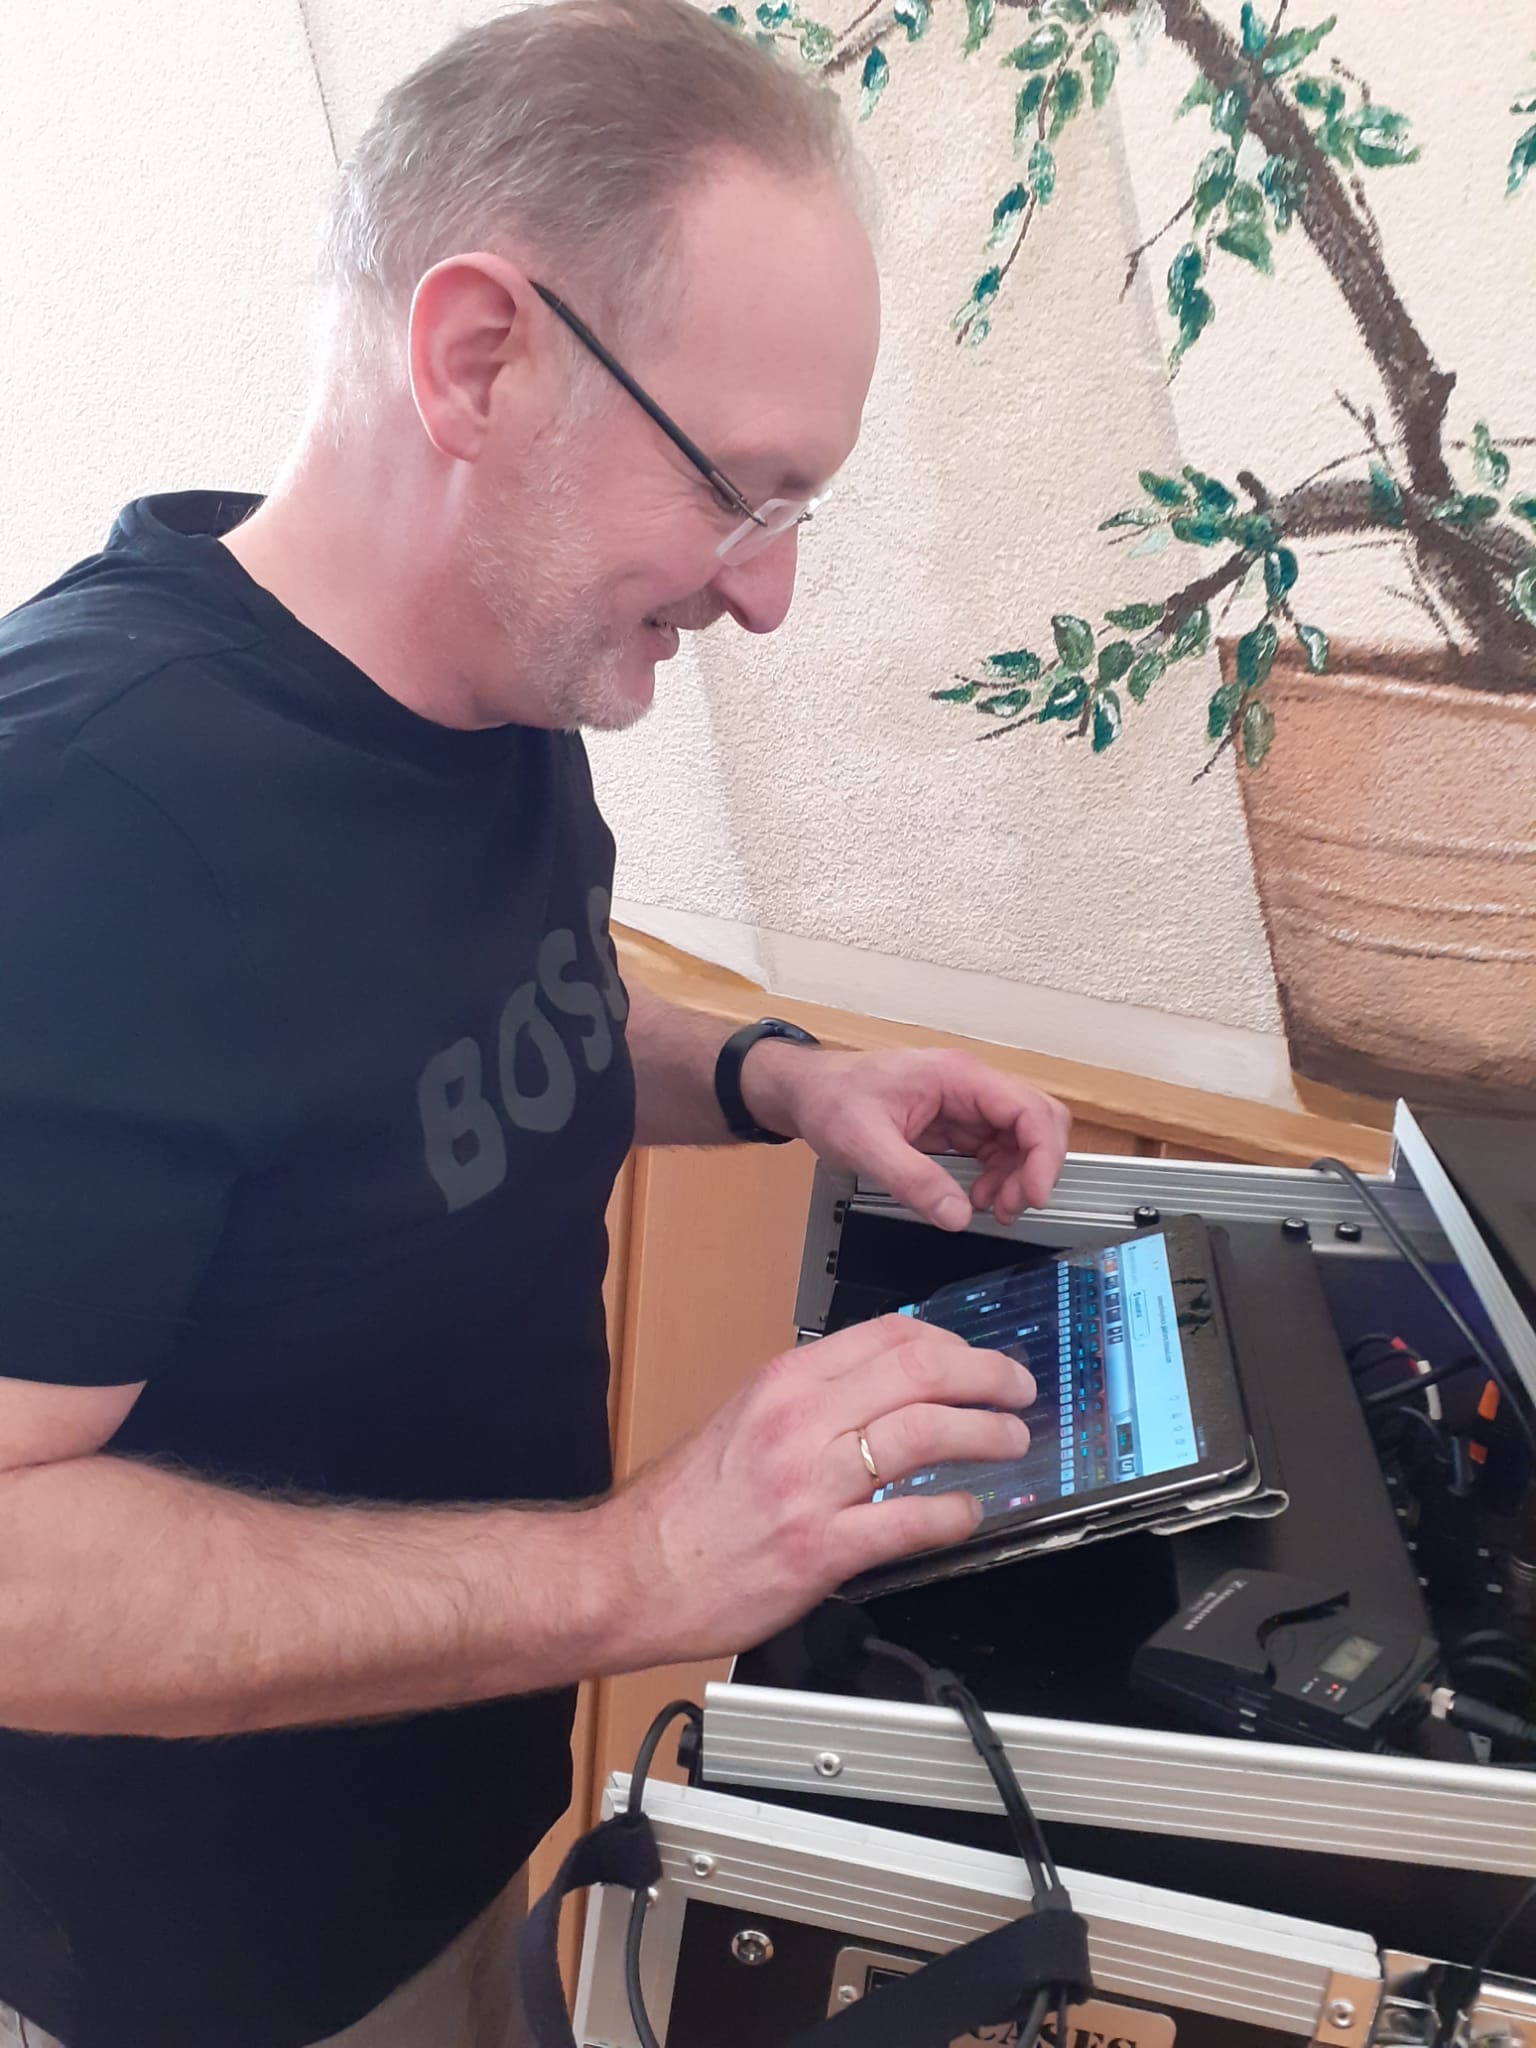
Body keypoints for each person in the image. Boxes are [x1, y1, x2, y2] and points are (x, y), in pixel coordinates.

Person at [0, 3, 1069, 2043]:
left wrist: (776, 1076)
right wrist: (636, 1572)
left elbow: (470, 1021)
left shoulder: (491, 672)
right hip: (191, 1973)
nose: (767, 596)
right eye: (742, 493)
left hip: (453, 1812)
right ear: (481, 355)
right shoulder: (84, 811)